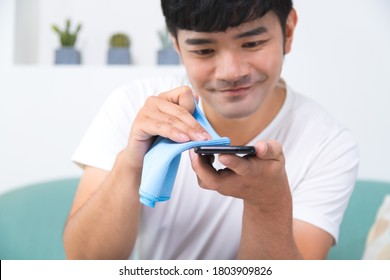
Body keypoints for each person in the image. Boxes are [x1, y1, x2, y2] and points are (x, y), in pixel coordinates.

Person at [64, 0, 359, 259]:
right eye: (204, 50)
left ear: (289, 31)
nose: (231, 72)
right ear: (178, 47)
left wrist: (268, 203)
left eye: (252, 43)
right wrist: (131, 162)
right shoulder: (133, 106)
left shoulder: (328, 143)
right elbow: (85, 261)